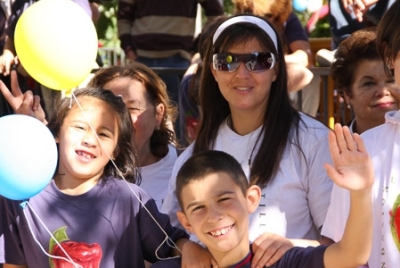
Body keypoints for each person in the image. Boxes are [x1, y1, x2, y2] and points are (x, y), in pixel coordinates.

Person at [162, 14, 335, 266]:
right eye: (227, 61)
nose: (242, 73)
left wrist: (294, 245)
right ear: (214, 70)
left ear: (276, 70)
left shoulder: (314, 142)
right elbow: (169, 229)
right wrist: (186, 246)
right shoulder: (196, 154)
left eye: (258, 61)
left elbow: (342, 244)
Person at [0, 87, 213, 267]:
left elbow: (173, 245)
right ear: (56, 133)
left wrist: (190, 248)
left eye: (103, 134)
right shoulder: (20, 196)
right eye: (80, 127)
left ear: (115, 151)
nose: (89, 140)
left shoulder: (130, 199)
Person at [153, 128, 374, 268]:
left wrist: (361, 192)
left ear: (251, 199)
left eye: (223, 199)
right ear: (186, 222)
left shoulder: (282, 261)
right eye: (199, 207)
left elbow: (351, 256)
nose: (214, 216)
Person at [322, 1, 400, 267]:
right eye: (368, 83)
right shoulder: (363, 151)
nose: (383, 91)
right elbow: (340, 251)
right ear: (391, 57)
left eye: (387, 80)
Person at [117, 0, 224, 140]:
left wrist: (198, 46)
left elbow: (216, 13)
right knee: (138, 119)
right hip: (143, 59)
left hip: (177, 59)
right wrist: (128, 48)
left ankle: (180, 160)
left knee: (179, 126)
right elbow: (124, 15)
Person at [88, 62, 179, 209]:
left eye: (132, 108)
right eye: (110, 108)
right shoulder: (83, 170)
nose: (121, 119)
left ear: (158, 114)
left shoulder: (183, 167)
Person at [330, 27, 398, 134]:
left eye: (391, 81)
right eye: (369, 83)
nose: (383, 91)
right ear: (348, 94)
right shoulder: (329, 149)